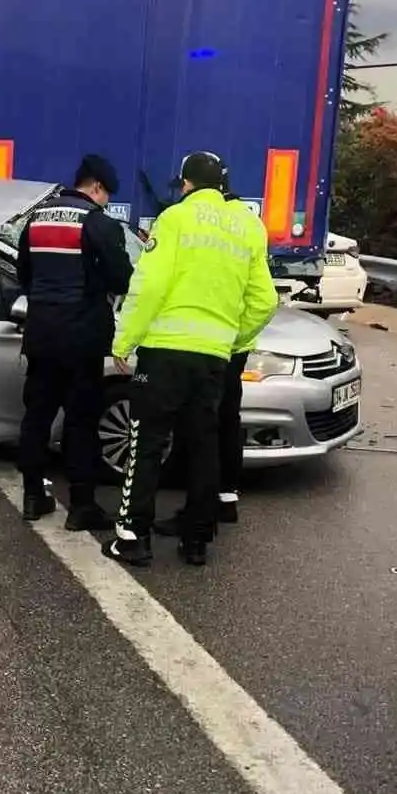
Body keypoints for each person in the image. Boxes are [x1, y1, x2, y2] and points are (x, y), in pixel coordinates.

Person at [107, 151, 278, 568]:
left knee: (146, 443)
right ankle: (197, 540)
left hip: (164, 353)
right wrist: (232, 341)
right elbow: (265, 301)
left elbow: (149, 286)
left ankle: (133, 537)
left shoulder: (175, 219)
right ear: (222, 184)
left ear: (186, 184)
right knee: (204, 447)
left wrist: (123, 342)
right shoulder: (249, 228)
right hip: (213, 360)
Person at [16, 154, 133, 531]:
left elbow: (24, 275)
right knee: (81, 423)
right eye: (107, 194)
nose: (106, 201)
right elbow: (122, 279)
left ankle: (33, 496)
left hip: (41, 335)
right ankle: (82, 507)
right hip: (82, 339)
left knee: (36, 416)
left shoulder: (35, 219)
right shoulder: (98, 224)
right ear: (97, 187)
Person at [154, 169, 261, 537]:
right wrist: (238, 336)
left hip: (208, 346)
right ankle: (224, 500)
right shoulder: (247, 224)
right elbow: (262, 298)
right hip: (232, 345)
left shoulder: (205, 222)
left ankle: (199, 513)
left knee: (200, 431)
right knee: (225, 422)